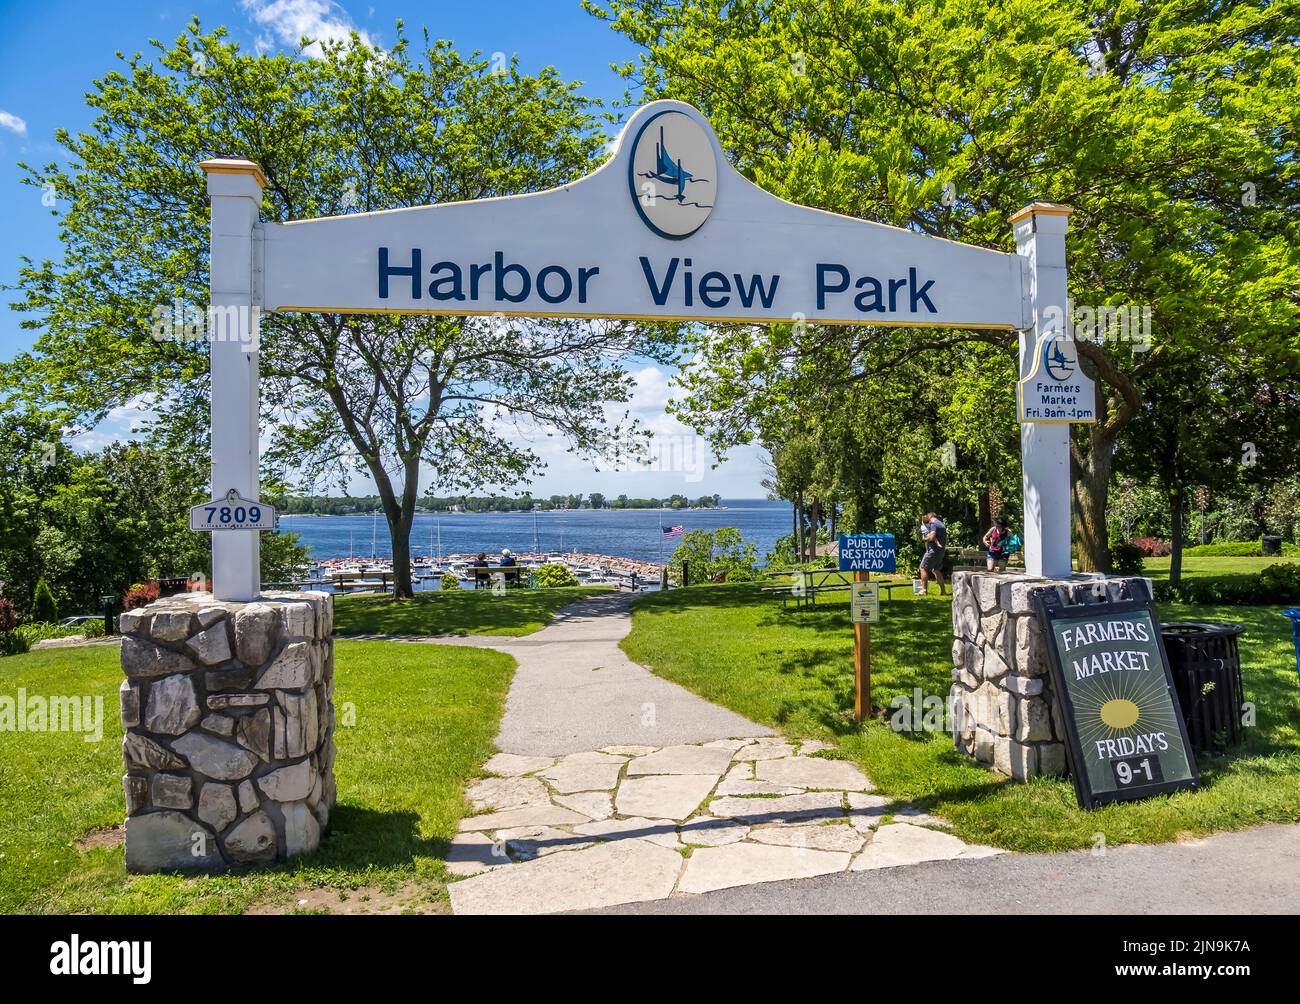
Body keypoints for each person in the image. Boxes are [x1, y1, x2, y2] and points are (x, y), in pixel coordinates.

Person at [919, 512, 948, 595]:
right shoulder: (941, 524)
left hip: (933, 551)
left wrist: (925, 539)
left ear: (930, 516)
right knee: (936, 570)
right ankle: (943, 591)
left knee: (923, 568)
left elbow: (932, 537)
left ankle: (924, 590)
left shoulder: (933, 524)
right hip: (940, 551)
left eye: (927, 517)